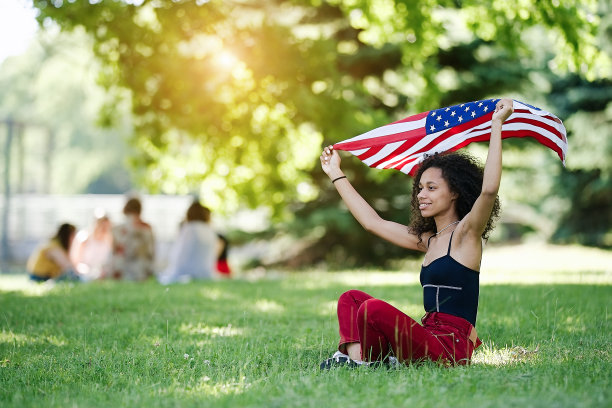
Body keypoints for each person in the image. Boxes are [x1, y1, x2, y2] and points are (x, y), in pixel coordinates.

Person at [319, 98, 514, 368]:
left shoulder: (466, 235)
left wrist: (496, 125)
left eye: (431, 188)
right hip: (427, 336)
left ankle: (360, 362)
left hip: (449, 348)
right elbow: (373, 223)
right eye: (420, 188)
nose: (421, 195)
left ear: (455, 192)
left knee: (372, 309)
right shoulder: (429, 240)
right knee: (351, 298)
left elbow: (489, 190)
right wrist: (335, 173)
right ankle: (360, 360)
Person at [158, 200, 220, 284]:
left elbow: (179, 254)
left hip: (186, 272)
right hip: (206, 273)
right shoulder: (210, 230)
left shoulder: (189, 228)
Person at [109, 197, 155, 281]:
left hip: (122, 267)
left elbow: (113, 250)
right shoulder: (147, 229)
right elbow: (151, 251)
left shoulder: (117, 229)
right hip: (141, 268)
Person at [71, 210, 112, 281]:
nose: (104, 228)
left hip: (103, 275)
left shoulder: (109, 240)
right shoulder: (83, 238)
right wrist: (89, 273)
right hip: (84, 274)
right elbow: (75, 263)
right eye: (101, 225)